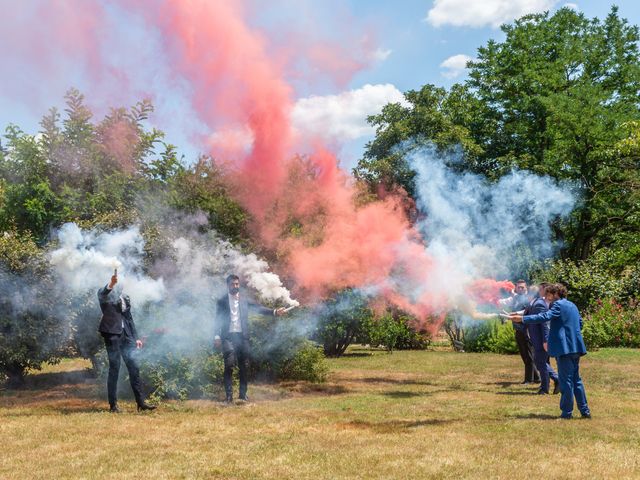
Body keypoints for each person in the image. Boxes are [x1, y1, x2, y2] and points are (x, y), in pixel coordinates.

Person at [510, 284, 591, 419]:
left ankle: (566, 413)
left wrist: (523, 319)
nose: (547, 298)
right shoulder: (573, 305)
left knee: (566, 382)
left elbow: (544, 316)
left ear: (555, 294)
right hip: (576, 346)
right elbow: (580, 323)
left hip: (564, 348)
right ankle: (585, 411)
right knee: (576, 380)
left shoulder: (557, 305)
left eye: (549, 294)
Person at [214, 274, 287, 403]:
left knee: (244, 366)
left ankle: (243, 395)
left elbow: (259, 308)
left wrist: (274, 312)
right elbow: (217, 320)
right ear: (228, 285)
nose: (235, 286)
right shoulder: (222, 301)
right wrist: (216, 336)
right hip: (228, 337)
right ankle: (229, 397)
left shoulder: (244, 300)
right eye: (232, 284)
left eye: (237, 284)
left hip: (243, 337)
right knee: (229, 365)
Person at [97, 272, 156, 413]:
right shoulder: (105, 295)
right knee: (115, 368)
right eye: (118, 283)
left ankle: (141, 403)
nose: (121, 285)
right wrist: (111, 283)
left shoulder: (126, 298)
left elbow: (129, 319)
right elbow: (103, 292)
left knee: (134, 367)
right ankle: (113, 406)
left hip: (127, 336)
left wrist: (136, 338)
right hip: (112, 335)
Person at [498, 280, 540, 384]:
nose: (521, 289)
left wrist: (512, 314)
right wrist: (493, 300)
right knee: (524, 354)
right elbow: (503, 302)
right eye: (519, 287)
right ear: (515, 288)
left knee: (528, 355)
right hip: (518, 330)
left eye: (523, 287)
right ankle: (536, 377)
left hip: (527, 330)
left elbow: (525, 313)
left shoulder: (529, 299)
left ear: (526, 288)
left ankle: (528, 380)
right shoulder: (514, 298)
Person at [524, 283, 559, 395]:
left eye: (541, 288)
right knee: (540, 362)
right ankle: (554, 382)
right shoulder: (537, 301)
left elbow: (544, 323)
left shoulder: (540, 304)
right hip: (536, 337)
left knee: (541, 363)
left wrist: (545, 340)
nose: (539, 290)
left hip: (540, 338)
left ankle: (546, 387)